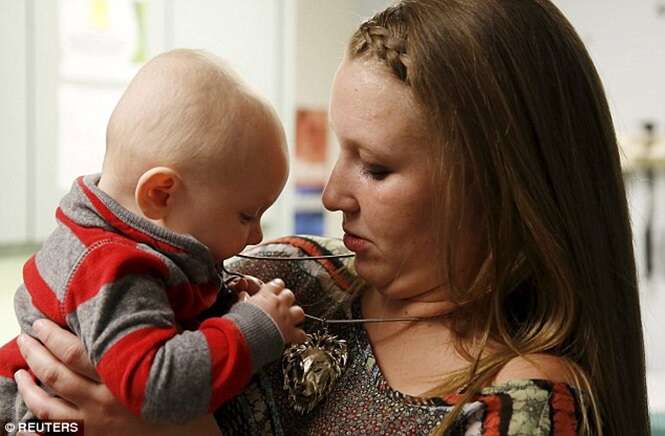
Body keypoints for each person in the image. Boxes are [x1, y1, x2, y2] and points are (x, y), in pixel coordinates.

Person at [10, 0, 650, 435]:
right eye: (338, 152)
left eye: (374, 167)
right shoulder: (288, 278)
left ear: (498, 187)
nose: (333, 194)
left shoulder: (527, 408)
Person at [0, 48, 306, 430]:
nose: (258, 235)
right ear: (162, 194)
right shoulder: (113, 267)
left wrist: (223, 301)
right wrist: (254, 326)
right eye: (246, 215)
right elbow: (158, 387)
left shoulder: (128, 238)